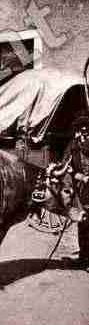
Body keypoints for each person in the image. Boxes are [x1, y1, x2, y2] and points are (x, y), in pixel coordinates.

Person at [68, 116, 89, 272]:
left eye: (86, 128)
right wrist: (79, 176)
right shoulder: (74, 146)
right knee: (83, 222)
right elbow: (71, 169)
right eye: (81, 129)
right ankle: (83, 258)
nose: (84, 131)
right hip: (82, 190)